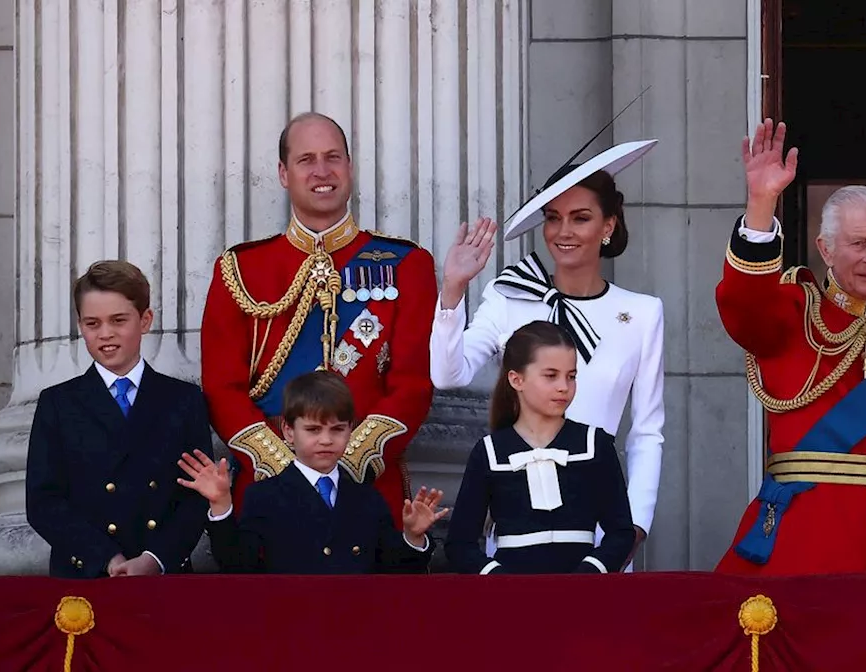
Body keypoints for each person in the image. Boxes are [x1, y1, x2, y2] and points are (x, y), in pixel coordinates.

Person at [713, 120, 866, 575]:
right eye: (858, 243)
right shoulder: (793, 313)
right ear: (825, 250)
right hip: (799, 548)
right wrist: (761, 204)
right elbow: (743, 304)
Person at [430, 140, 663, 569]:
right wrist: (453, 290)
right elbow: (449, 374)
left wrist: (634, 528)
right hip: (520, 534)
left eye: (581, 218)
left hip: (603, 532)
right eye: (553, 218)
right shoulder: (509, 296)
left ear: (608, 225)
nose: (563, 232)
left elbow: (646, 431)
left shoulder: (644, 313)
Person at [200, 112, 438, 528]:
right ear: (283, 173)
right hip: (267, 490)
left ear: (349, 167)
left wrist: (348, 462)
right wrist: (284, 469)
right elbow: (222, 389)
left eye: (333, 157)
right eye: (306, 159)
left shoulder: (407, 265)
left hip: (367, 489)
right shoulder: (240, 269)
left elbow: (413, 384)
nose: (322, 171)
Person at [26, 260, 212, 578]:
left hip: (164, 578)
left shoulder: (184, 400)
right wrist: (106, 558)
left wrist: (155, 559)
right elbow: (43, 502)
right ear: (80, 325)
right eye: (92, 323)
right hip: (86, 576)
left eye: (118, 320)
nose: (106, 334)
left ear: (145, 320)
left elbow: (197, 496)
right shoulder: (57, 403)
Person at [177, 371, 446, 574]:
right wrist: (221, 506)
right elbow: (237, 564)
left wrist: (413, 537)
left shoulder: (367, 498)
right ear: (289, 432)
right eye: (314, 430)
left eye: (337, 429)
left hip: (355, 628)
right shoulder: (265, 496)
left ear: (350, 430)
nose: (326, 440)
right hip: (289, 630)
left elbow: (395, 570)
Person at [445, 321, 635, 574]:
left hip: (583, 598)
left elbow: (621, 532)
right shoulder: (490, 452)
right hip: (513, 600)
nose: (563, 387)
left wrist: (590, 572)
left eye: (571, 376)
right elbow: (460, 544)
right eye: (550, 375)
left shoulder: (594, 444)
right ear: (516, 379)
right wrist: (499, 579)